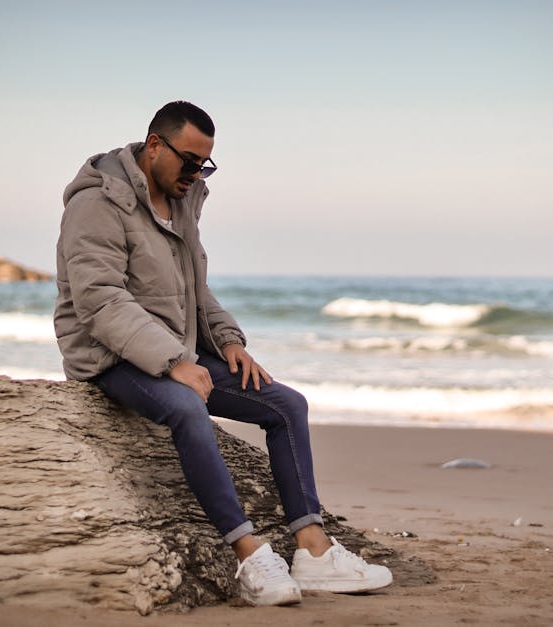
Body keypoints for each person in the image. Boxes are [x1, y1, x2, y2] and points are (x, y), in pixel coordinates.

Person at [53, 101, 392, 606]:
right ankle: (250, 556)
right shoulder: (97, 204)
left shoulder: (182, 203)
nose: (197, 173)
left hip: (175, 350)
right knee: (188, 408)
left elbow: (195, 290)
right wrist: (174, 363)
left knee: (285, 404)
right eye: (189, 161)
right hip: (107, 358)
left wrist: (229, 341)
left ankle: (314, 551)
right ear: (153, 146)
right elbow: (100, 301)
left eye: (205, 164)